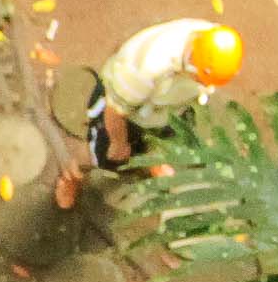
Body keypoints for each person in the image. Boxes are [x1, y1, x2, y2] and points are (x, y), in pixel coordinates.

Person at [53, 17, 245, 208]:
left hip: (168, 108)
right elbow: (115, 111)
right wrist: (118, 143)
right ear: (192, 63)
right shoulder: (146, 69)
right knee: (102, 154)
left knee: (167, 137)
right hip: (127, 107)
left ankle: (151, 159)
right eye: (202, 79)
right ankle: (72, 177)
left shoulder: (212, 40)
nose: (205, 85)